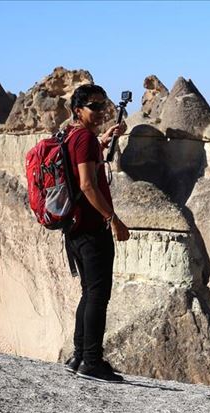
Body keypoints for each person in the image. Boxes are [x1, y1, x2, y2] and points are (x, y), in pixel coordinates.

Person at [62, 84, 130, 383]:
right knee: (98, 295)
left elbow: (79, 164)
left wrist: (103, 141)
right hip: (91, 228)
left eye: (104, 105)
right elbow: (88, 184)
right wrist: (112, 218)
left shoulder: (71, 135)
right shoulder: (84, 139)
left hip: (74, 228)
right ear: (78, 110)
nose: (102, 111)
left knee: (88, 292)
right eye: (95, 106)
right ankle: (92, 360)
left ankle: (78, 355)